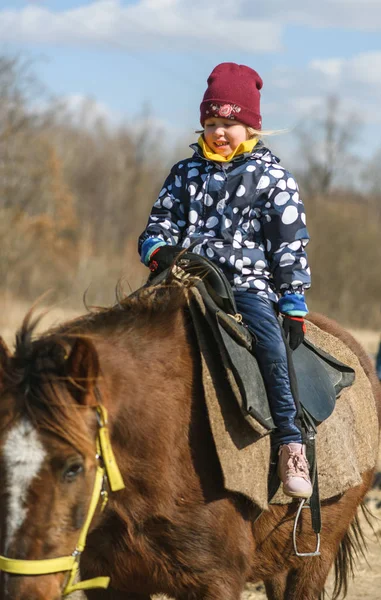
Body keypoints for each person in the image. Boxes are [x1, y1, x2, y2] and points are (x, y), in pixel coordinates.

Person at [138, 62, 312, 499]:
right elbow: (156, 226)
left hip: (245, 286)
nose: (219, 131)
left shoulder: (273, 179)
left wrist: (292, 302)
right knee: (129, 329)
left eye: (229, 123)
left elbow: (289, 244)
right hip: (182, 278)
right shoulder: (184, 174)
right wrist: (160, 251)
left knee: (271, 347)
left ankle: (290, 440)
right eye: (211, 122)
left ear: (251, 127)